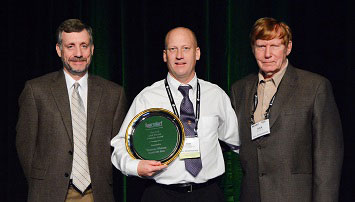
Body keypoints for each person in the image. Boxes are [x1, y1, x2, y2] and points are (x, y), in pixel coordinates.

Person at [111, 27, 240, 202]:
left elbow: (238, 141)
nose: (179, 55)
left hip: (208, 194)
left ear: (197, 53)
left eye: (186, 48)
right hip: (160, 194)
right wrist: (135, 166)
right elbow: (120, 144)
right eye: (173, 49)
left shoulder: (216, 95)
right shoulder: (147, 98)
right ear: (165, 55)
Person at [230, 17, 343, 202]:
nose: (268, 54)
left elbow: (328, 156)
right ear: (252, 48)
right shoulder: (239, 89)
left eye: (275, 46)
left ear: (288, 47)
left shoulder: (314, 87)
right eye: (261, 46)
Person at [16, 19, 127, 202]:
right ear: (59, 50)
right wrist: (45, 183)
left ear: (92, 49)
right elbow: (25, 147)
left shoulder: (114, 94)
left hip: (96, 194)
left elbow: (119, 147)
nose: (78, 53)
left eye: (84, 45)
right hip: (49, 194)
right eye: (71, 46)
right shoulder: (36, 91)